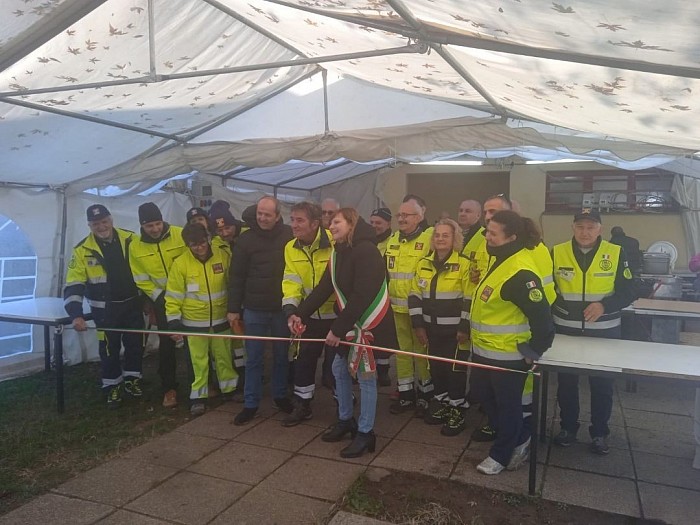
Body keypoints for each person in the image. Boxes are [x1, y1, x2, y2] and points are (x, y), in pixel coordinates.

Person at [289, 208, 398, 458]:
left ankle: (366, 432)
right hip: (350, 323)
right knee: (339, 370)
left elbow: (362, 295)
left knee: (366, 378)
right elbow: (325, 287)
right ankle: (346, 420)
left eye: (337, 222)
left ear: (351, 224)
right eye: (331, 223)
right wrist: (300, 313)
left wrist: (336, 330)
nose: (332, 226)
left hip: (368, 324)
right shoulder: (338, 252)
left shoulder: (367, 251)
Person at [469, 210, 555, 475]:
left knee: (508, 407)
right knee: (484, 398)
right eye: (487, 230)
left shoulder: (520, 273)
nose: (487, 236)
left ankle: (501, 455)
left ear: (512, 237)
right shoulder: (500, 259)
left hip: (508, 357)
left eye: (493, 233)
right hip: (484, 352)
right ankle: (519, 439)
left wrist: (534, 351)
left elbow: (543, 321)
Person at [551, 210, 635, 455]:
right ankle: (567, 428)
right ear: (572, 227)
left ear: (600, 228)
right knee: (566, 383)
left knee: (602, 385)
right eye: (580, 227)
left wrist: (604, 305)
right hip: (566, 331)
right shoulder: (557, 251)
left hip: (604, 333)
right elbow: (548, 287)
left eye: (590, 227)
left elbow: (628, 290)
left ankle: (599, 432)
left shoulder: (616, 253)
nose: (585, 232)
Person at [63, 204, 144, 409]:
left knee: (135, 345)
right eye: (96, 223)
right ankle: (112, 386)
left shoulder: (131, 239)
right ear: (89, 225)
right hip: (105, 311)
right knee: (109, 349)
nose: (101, 226)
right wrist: (76, 315)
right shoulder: (81, 250)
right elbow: (74, 284)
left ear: (111, 220)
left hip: (133, 305)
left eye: (104, 221)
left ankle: (133, 380)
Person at [228, 195, 294, 425]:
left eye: (267, 214)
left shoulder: (289, 235)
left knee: (281, 357)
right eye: (260, 214)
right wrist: (233, 309)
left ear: (277, 216)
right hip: (253, 309)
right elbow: (236, 277)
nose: (263, 218)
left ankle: (280, 396)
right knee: (253, 358)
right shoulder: (245, 241)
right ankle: (250, 403)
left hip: (280, 309)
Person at [165, 223, 238, 416]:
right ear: (187, 245)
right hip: (194, 324)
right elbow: (173, 296)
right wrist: (173, 322)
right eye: (194, 244)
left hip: (222, 320)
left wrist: (235, 309)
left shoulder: (223, 256)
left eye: (202, 242)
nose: (200, 247)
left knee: (224, 358)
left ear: (207, 238)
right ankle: (198, 398)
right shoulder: (180, 264)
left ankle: (229, 391)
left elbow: (233, 284)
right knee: (198, 362)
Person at [409, 219, 471, 436]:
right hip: (431, 330)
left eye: (446, 235)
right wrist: (418, 326)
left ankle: (457, 411)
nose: (440, 239)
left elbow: (468, 299)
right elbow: (414, 296)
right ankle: (443, 404)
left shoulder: (464, 264)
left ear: (455, 239)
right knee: (437, 369)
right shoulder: (423, 263)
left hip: (456, 334)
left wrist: (464, 328)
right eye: (437, 235)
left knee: (455, 372)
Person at [281, 202, 336, 426]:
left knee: (336, 366)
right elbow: (291, 281)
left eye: (299, 220)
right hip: (309, 317)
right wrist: (291, 311)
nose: (293, 225)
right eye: (292, 219)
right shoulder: (290, 247)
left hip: (336, 316)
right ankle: (303, 405)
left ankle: (343, 409)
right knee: (303, 361)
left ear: (315, 223)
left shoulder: (335, 241)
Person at [129, 202, 186, 408]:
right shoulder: (135, 246)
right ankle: (169, 388)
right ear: (141, 226)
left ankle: (202, 384)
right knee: (167, 346)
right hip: (162, 302)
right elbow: (140, 277)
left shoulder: (180, 234)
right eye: (149, 226)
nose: (155, 229)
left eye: (157, 223)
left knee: (195, 343)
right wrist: (158, 297)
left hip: (189, 299)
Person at [385, 196, 434, 415]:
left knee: (422, 352)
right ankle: (405, 394)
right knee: (402, 352)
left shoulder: (430, 237)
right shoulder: (393, 239)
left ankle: (426, 394)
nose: (401, 219)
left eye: (406, 215)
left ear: (419, 216)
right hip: (396, 309)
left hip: (420, 311)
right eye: (399, 215)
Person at [209, 200, 247, 400]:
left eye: (228, 227)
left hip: (250, 295)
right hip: (230, 297)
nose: (224, 233)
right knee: (236, 340)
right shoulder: (215, 244)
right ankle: (240, 376)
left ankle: (249, 374)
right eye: (219, 230)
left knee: (250, 340)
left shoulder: (248, 234)